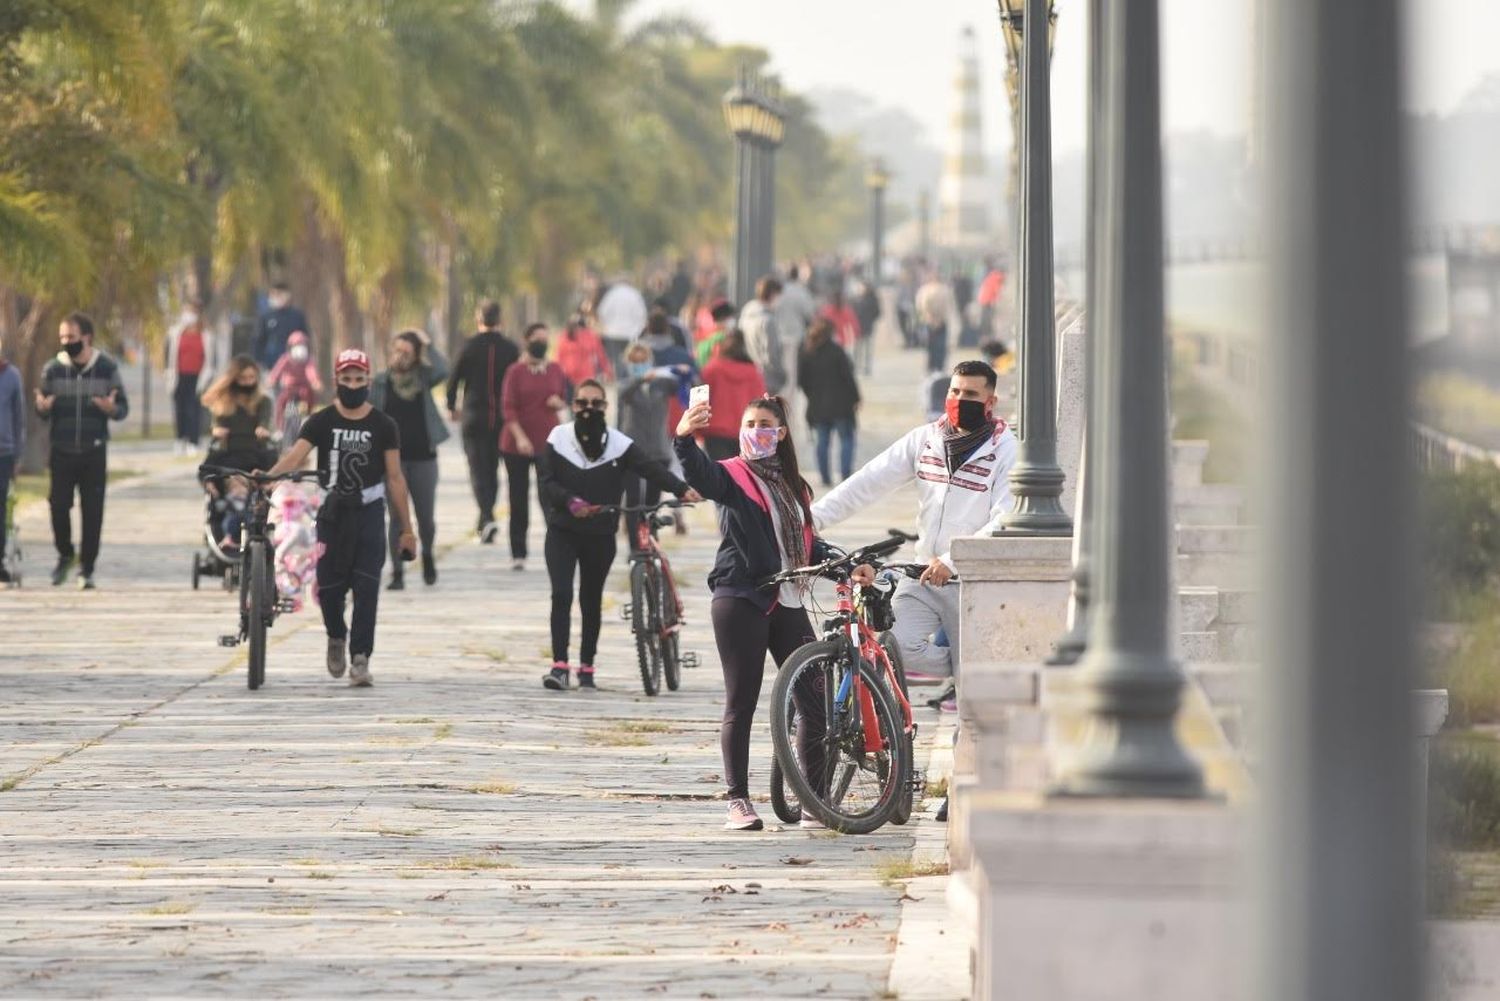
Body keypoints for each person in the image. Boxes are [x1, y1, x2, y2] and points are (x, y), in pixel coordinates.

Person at [673, 393, 851, 831]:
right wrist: (684, 438)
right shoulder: (732, 477)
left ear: (782, 433)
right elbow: (701, 474)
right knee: (743, 701)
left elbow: (806, 545)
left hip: (787, 598)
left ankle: (815, 799)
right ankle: (737, 800)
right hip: (741, 598)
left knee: (815, 700)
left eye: (765, 424)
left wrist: (846, 566)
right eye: (750, 423)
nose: (757, 431)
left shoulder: (794, 487)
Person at [811, 360, 1017, 711]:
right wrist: (811, 521)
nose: (959, 399)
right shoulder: (926, 440)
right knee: (896, 647)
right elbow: (868, 481)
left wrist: (954, 561)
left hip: (974, 581)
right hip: (921, 575)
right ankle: (967, 664)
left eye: (970, 394)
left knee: (976, 705)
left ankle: (973, 676)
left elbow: (1006, 517)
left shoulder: (1007, 450)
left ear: (990, 402)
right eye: (954, 391)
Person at [263, 349, 416, 688]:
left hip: (370, 513)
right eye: (346, 379)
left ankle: (361, 658)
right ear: (336, 381)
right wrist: (269, 476)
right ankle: (336, 635)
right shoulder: (320, 421)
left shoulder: (383, 425)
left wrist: (407, 529)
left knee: (366, 586)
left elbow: (394, 477)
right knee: (329, 589)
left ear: (368, 381)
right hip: (333, 513)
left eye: (359, 379)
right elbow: (296, 456)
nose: (352, 385)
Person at [537, 379, 696, 691]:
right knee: (562, 594)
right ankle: (559, 665)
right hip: (563, 531)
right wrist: (570, 501)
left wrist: (682, 489)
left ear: (605, 408)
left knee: (591, 599)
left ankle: (586, 667)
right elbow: (546, 480)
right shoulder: (558, 438)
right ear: (574, 406)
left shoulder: (619, 444)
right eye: (583, 403)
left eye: (596, 404)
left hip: (600, 533)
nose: (589, 410)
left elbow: (651, 468)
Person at [34, 312, 129, 589]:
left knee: (93, 511)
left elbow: (122, 408)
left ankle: (87, 568)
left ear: (86, 337)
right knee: (58, 505)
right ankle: (65, 554)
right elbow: (41, 406)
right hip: (61, 450)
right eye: (62, 337)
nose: (66, 342)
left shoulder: (107, 368)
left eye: (71, 337)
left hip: (93, 451)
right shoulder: (52, 369)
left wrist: (112, 409)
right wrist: (43, 407)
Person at [371, 329, 449, 589]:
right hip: (393, 462)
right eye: (397, 350)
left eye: (407, 352)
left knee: (425, 517)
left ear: (416, 356)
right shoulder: (381, 382)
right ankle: (397, 573)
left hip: (424, 457)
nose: (400, 356)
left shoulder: (424, 378)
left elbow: (443, 369)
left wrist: (427, 343)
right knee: (396, 517)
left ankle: (427, 554)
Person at [446, 299, 520, 543]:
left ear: (479, 320)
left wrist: (451, 405)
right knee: (492, 469)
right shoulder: (510, 348)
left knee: (478, 469)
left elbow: (454, 378)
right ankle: (486, 518)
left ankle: (486, 516)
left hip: (474, 415)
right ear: (500, 320)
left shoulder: (469, 346)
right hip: (501, 417)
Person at [500, 322, 570, 571]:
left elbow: (563, 397)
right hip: (516, 444)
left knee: (549, 496)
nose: (541, 343)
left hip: (547, 442)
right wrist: (520, 437)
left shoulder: (554, 369)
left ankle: (557, 546)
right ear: (527, 340)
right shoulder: (515, 372)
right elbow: (508, 408)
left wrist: (558, 403)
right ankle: (518, 552)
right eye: (536, 339)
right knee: (518, 499)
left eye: (545, 338)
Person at [616, 341, 681, 547]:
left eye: (643, 361)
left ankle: (651, 541)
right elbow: (622, 393)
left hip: (658, 449)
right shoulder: (627, 386)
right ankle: (636, 547)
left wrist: (681, 370)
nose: (640, 365)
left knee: (653, 502)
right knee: (634, 500)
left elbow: (684, 385)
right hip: (632, 450)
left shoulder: (661, 385)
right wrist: (639, 378)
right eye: (635, 362)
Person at [797, 319, 861, 487]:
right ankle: (845, 474)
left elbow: (801, 381)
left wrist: (811, 395)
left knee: (822, 442)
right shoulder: (837, 351)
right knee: (846, 439)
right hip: (842, 405)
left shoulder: (807, 353)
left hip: (818, 406)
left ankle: (825, 477)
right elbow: (848, 377)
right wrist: (856, 398)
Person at [201, 355, 276, 474]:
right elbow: (216, 426)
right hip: (230, 455)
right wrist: (216, 431)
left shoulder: (263, 401)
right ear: (234, 379)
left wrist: (263, 429)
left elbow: (264, 420)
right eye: (243, 378)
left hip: (256, 455)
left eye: (251, 377)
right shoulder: (224, 401)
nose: (248, 382)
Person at [698, 331, 766, 461]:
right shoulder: (753, 373)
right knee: (741, 476)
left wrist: (696, 431)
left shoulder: (712, 369)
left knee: (721, 475)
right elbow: (761, 404)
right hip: (746, 432)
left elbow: (701, 402)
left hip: (716, 432)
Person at [165, 298, 217, 455]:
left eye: (192, 312)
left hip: (198, 378)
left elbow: (211, 360)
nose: (188, 315)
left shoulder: (207, 335)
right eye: (186, 311)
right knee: (180, 409)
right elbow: (168, 355)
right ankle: (180, 439)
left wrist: (207, 378)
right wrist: (168, 374)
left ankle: (194, 442)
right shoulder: (175, 333)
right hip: (179, 376)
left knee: (194, 410)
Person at [0, 333, 24, 583]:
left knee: (1, 509)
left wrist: (18, 454)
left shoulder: (12, 376)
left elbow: (19, 419)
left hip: (4, 452)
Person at [267, 331, 323, 436]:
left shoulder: (309, 360)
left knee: (311, 404)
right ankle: (280, 429)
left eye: (302, 345)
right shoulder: (286, 359)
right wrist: (272, 380)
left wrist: (315, 382)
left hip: (304, 390)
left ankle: (308, 423)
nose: (299, 348)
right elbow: (277, 371)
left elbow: (311, 372)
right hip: (289, 390)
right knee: (280, 404)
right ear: (290, 347)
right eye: (297, 345)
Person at [737, 276, 786, 394]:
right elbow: (771, 354)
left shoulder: (745, 314)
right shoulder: (768, 321)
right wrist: (782, 375)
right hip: (766, 378)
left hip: (747, 373)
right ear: (773, 294)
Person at [594, 281, 649, 376]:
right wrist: (638, 328)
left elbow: (602, 312)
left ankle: (620, 379)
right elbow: (641, 314)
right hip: (631, 333)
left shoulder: (611, 295)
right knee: (631, 358)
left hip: (613, 333)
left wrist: (606, 325)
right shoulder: (634, 294)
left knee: (616, 359)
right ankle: (630, 378)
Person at [253, 283, 309, 372]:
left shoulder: (297, 316)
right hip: (271, 365)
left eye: (278, 294)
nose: (275, 298)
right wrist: (259, 361)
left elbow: (305, 337)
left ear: (287, 295)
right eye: (272, 295)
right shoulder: (266, 316)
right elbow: (258, 340)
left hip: (294, 365)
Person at [556, 312, 613, 387]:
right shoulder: (564, 337)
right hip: (570, 376)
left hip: (583, 376)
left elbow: (600, 355)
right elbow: (559, 357)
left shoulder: (590, 336)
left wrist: (607, 371)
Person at [916, 271, 956, 374]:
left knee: (935, 346)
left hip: (934, 321)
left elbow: (921, 305)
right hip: (935, 321)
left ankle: (935, 367)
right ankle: (936, 367)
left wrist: (932, 318)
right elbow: (921, 305)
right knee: (936, 347)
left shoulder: (927, 290)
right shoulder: (941, 290)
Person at [852, 272, 881, 377]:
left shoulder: (872, 299)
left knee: (867, 348)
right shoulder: (856, 299)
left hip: (868, 326)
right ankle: (856, 366)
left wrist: (871, 320)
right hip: (857, 326)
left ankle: (867, 368)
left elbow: (877, 312)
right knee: (857, 349)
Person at [694, 300, 737, 367]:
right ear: (722, 319)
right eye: (730, 317)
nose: (733, 320)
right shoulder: (724, 340)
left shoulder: (704, 337)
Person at [818, 286, 861, 351]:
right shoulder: (847, 311)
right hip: (841, 342)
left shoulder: (826, 311)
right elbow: (854, 326)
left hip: (836, 342)